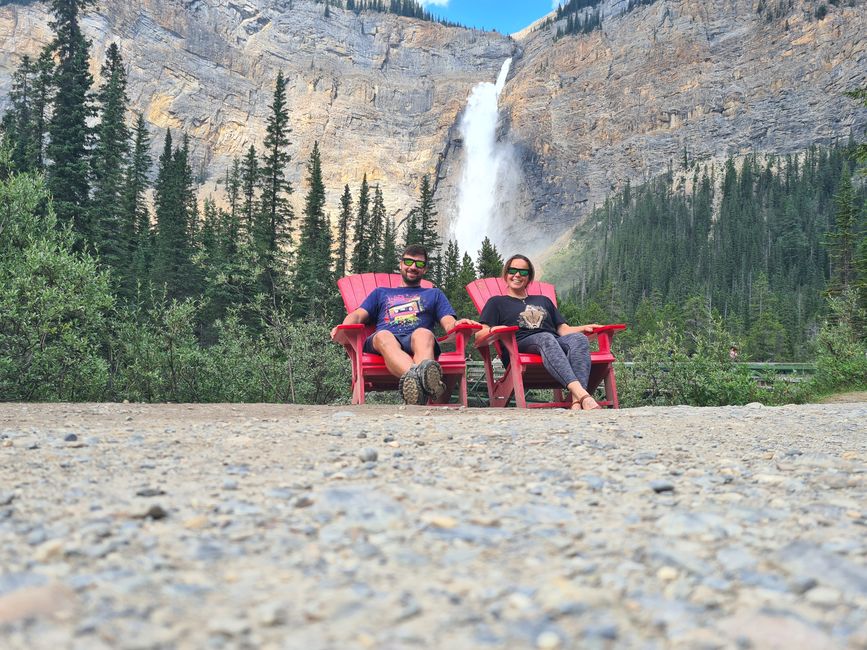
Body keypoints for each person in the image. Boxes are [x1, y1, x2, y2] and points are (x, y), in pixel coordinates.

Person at [332, 244, 478, 405]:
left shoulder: (434, 294)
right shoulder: (381, 293)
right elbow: (358, 315)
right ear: (400, 264)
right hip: (386, 342)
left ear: (425, 269)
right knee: (383, 336)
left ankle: (417, 386)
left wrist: (459, 323)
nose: (413, 267)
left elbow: (449, 323)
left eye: (419, 264)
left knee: (423, 333)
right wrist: (343, 327)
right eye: (408, 261)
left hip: (418, 342)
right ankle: (425, 380)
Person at [475, 254, 602, 410]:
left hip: (553, 344)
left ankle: (576, 402)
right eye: (512, 270)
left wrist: (584, 328)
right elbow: (479, 335)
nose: (517, 275)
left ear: (529, 277)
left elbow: (563, 329)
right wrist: (494, 329)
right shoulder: (496, 302)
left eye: (523, 272)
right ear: (506, 274)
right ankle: (584, 396)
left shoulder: (543, 300)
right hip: (519, 346)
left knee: (579, 339)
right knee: (545, 337)